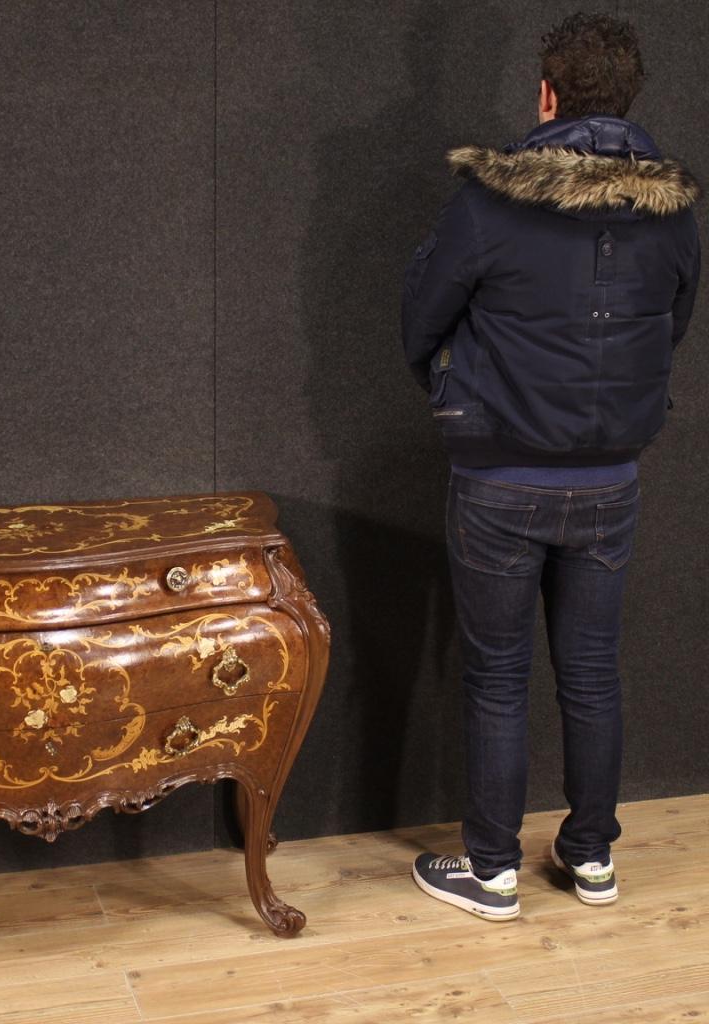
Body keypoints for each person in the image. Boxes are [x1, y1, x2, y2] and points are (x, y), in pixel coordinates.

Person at [401, 11, 701, 920]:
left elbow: (421, 314)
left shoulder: (492, 201)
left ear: (547, 95)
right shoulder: (675, 211)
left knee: (497, 677)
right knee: (594, 672)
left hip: (499, 476)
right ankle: (593, 859)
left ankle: (492, 869)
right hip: (611, 479)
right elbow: (673, 327)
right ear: (630, 97)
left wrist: (453, 386)